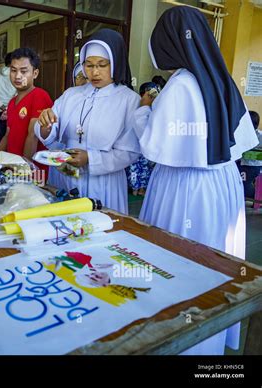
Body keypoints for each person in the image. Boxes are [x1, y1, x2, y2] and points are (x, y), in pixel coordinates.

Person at [133, 6, 259, 355]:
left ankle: (176, 341)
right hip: (224, 186)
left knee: (177, 264)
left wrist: (144, 110)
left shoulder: (181, 84)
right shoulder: (221, 78)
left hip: (184, 187)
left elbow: (154, 145)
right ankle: (209, 343)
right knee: (212, 268)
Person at [35, 29, 141, 214]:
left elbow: (130, 151)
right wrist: (45, 126)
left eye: (102, 65)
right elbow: (50, 133)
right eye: (89, 65)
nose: (95, 72)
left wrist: (90, 158)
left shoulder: (129, 100)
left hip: (102, 182)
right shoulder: (71, 94)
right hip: (64, 176)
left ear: (115, 63)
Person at [0, 47, 53, 166]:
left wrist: (25, 170)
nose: (17, 76)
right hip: (13, 168)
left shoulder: (39, 96)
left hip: (32, 171)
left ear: (35, 73)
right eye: (13, 70)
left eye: (23, 71)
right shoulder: (12, 102)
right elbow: (7, 136)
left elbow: (33, 136)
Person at [239, 110, 261, 198]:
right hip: (244, 165)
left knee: (243, 183)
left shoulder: (258, 136)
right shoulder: (240, 135)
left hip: (251, 166)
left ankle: (257, 196)